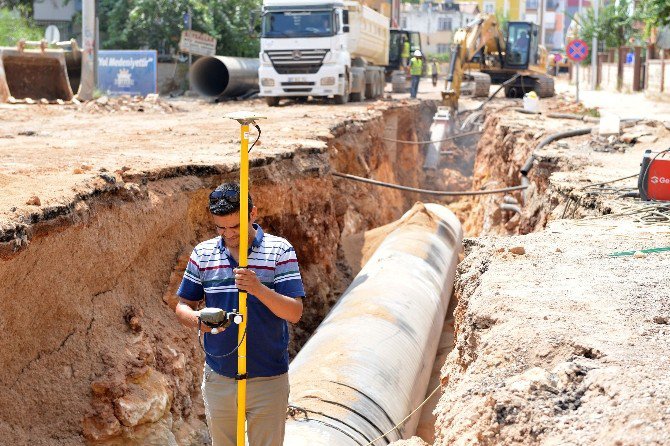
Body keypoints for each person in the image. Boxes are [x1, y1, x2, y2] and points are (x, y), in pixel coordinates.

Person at [175, 182, 305, 446]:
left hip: (269, 380)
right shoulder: (203, 254)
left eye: (235, 226)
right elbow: (182, 306)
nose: (228, 234)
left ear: (253, 214)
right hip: (220, 379)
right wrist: (199, 321)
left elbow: (294, 312)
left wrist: (257, 289)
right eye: (220, 227)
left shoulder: (280, 251)